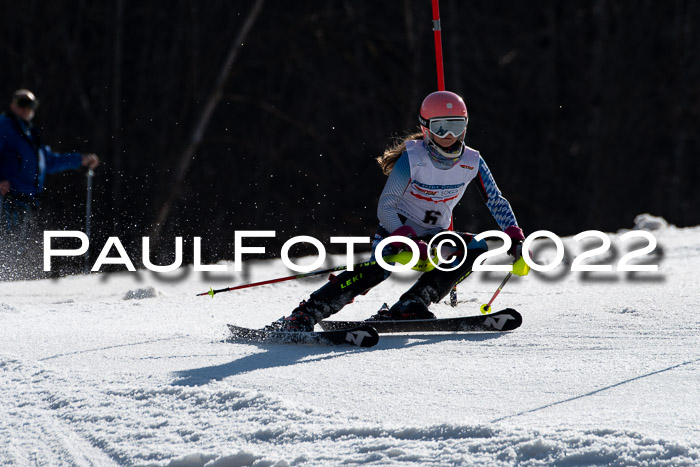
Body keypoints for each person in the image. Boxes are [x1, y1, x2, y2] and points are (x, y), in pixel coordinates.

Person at [266, 90, 525, 331]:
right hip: (398, 232)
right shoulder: (412, 158)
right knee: (376, 269)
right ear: (425, 128)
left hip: (435, 236)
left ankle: (411, 304)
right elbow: (386, 207)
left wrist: (515, 236)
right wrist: (407, 238)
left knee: (476, 247)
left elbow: (496, 201)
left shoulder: (473, 161)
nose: (449, 135)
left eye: (456, 126)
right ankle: (306, 314)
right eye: (440, 127)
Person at [0, 89, 100, 233]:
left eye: (32, 105)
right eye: (23, 103)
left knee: (17, 244)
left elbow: (49, 162)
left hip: (26, 199)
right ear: (13, 105)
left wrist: (80, 160)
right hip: (8, 197)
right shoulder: (5, 125)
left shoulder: (31, 134)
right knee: (6, 238)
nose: (27, 109)